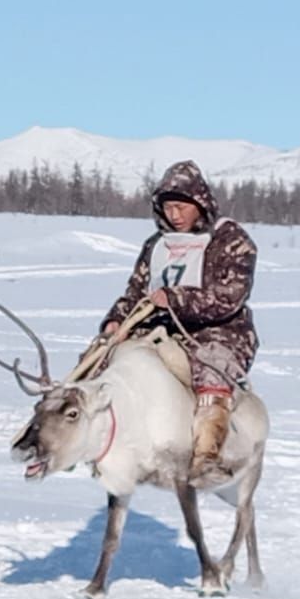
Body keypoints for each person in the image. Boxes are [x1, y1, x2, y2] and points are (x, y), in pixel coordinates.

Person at [100, 160, 258, 485]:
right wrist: (116, 321)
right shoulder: (156, 245)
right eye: (168, 207)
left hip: (217, 332)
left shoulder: (230, 240)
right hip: (156, 327)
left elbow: (228, 297)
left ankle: (206, 457)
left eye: (181, 206)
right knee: (103, 359)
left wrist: (176, 298)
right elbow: (135, 291)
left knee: (209, 369)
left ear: (200, 203)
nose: (174, 215)